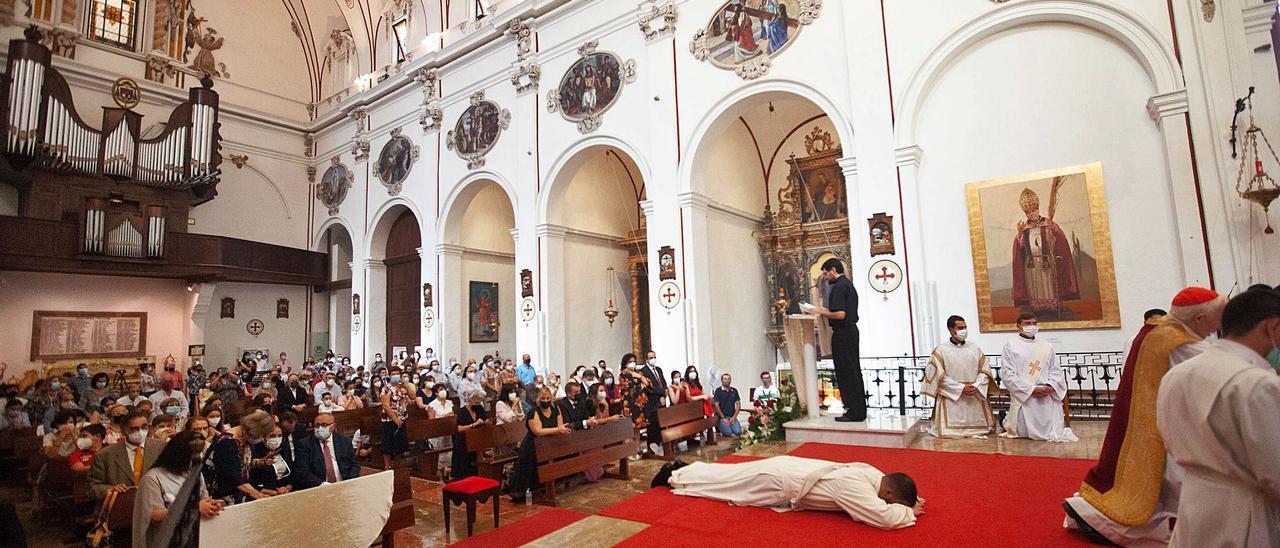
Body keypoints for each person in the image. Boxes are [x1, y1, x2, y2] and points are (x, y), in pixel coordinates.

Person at [1063, 287, 1225, 545]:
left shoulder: (1159, 331)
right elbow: (1219, 373)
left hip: (1156, 417)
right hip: (1169, 424)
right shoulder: (1178, 341)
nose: (1217, 326)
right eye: (1217, 318)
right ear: (1199, 319)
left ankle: (1093, 514)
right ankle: (1101, 520)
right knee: (1166, 490)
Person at [1155, 288, 1280, 547]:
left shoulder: (1176, 374)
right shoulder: (1256, 383)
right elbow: (1275, 471)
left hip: (1193, 503)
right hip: (1245, 515)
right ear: (1272, 327)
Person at [654, 456, 922, 530]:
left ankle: (684, 469)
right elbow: (883, 517)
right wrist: (907, 510)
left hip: (787, 472)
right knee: (725, 486)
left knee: (728, 479)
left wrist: (906, 499)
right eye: (890, 500)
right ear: (886, 491)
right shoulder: (856, 485)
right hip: (777, 481)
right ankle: (673, 476)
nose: (887, 502)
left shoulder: (874, 474)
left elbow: (888, 497)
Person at [132, 430, 222, 547]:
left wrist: (212, 506)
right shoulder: (153, 478)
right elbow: (153, 515)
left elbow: (203, 500)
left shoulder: (196, 473)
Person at [1000, 312, 1077, 442]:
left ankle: (1005, 419)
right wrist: (1031, 389)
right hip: (1026, 395)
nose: (1032, 326)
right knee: (1022, 431)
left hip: (1046, 395)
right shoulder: (1011, 345)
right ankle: (1005, 420)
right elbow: (1008, 374)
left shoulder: (1047, 346)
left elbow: (1056, 370)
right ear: (1018, 326)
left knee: (1052, 431)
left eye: (1034, 323)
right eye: (1027, 323)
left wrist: (1051, 386)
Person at [922, 315, 995, 438]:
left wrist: (976, 385)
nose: (964, 330)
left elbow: (985, 371)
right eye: (960, 328)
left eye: (965, 327)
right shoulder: (941, 351)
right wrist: (960, 387)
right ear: (951, 330)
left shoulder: (974, 348)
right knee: (949, 431)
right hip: (952, 397)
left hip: (974, 393)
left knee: (981, 430)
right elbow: (939, 377)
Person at [810, 258, 865, 422]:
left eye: (826, 273)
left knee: (847, 372)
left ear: (833, 269)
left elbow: (840, 314)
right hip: (850, 332)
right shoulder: (848, 284)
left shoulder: (839, 287)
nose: (826, 277)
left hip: (843, 333)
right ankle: (858, 410)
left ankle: (853, 411)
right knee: (853, 371)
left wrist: (819, 311)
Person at [509, 387, 571, 502]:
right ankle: (529, 492)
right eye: (543, 398)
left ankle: (547, 488)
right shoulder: (534, 412)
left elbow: (560, 425)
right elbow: (538, 431)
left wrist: (558, 430)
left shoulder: (556, 408)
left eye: (548, 398)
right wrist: (557, 430)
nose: (546, 400)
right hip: (533, 445)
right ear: (539, 399)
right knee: (532, 471)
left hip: (550, 444)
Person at [88, 411, 167, 499]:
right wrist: (110, 489)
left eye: (144, 427)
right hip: (120, 505)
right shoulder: (104, 455)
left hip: (153, 502)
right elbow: (92, 487)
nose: (140, 432)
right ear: (123, 431)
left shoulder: (161, 447)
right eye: (134, 429)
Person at [208, 409, 277, 504]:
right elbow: (232, 474)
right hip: (222, 496)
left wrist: (258, 462)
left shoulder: (245, 441)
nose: (263, 439)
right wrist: (255, 493)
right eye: (263, 435)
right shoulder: (227, 443)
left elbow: (241, 464)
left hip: (239, 494)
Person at [295, 413, 361, 488]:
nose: (320, 428)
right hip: (319, 487)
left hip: (345, 484)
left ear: (333, 426)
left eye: (324, 425)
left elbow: (355, 465)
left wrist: (348, 482)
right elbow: (303, 472)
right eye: (317, 425)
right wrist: (322, 484)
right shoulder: (305, 445)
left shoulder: (345, 441)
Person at [451, 393, 491, 481]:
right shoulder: (462, 411)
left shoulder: (479, 409)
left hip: (476, 440)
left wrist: (487, 422)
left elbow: (485, 419)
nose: (477, 405)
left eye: (479, 402)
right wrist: (474, 424)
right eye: (476, 403)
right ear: (470, 401)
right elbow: (460, 429)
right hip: (463, 442)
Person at [379, 367, 412, 469]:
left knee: (399, 444)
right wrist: (395, 419)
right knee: (388, 444)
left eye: (397, 373)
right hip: (390, 420)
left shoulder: (402, 388)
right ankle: (387, 466)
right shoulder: (386, 388)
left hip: (402, 418)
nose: (395, 375)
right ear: (390, 375)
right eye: (393, 373)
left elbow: (413, 396)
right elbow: (386, 405)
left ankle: (397, 465)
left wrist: (406, 385)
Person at [638, 350, 667, 453]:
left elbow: (663, 383)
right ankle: (652, 446)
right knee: (653, 424)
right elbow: (649, 388)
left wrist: (663, 395)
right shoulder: (643, 371)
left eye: (654, 357)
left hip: (661, 401)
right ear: (646, 359)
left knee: (661, 423)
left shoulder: (658, 369)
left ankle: (660, 443)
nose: (653, 359)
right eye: (651, 357)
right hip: (651, 401)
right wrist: (661, 394)